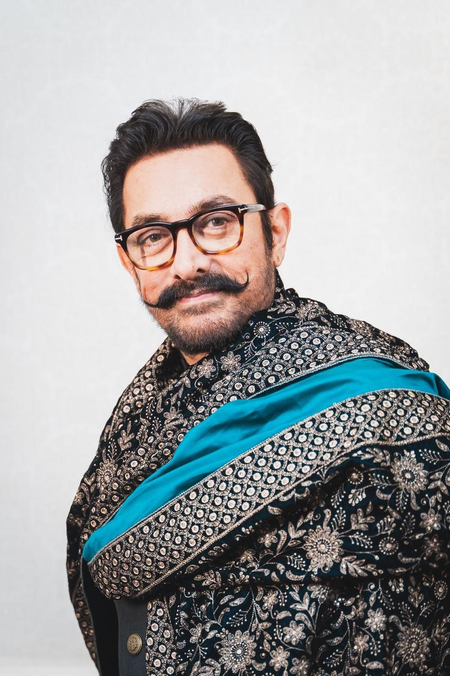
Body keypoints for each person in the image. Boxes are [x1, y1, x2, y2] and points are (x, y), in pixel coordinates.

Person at [66, 99, 450, 676]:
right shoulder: (135, 423)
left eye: (216, 222)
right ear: (129, 261)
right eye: (153, 235)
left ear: (275, 230)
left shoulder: (383, 405)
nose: (186, 262)